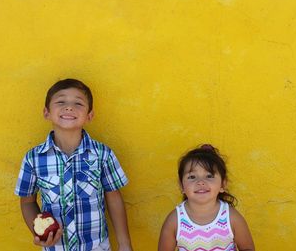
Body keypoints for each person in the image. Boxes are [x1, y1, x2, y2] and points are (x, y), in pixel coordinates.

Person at [15, 78, 132, 251]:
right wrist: (38, 231)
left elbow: (113, 198)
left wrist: (125, 245)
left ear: (89, 115)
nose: (69, 107)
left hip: (97, 247)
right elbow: (27, 202)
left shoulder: (102, 154)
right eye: (61, 101)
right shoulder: (33, 158)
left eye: (78, 103)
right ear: (46, 112)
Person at [158, 144, 255, 251]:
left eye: (209, 176)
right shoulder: (174, 221)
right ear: (181, 186)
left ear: (223, 184)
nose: (200, 182)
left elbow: (247, 248)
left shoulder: (231, 218)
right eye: (192, 177)